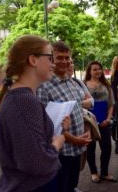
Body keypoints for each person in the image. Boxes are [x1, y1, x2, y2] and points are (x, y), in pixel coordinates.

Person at [0, 35, 69, 192]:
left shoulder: (18, 96)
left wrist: (59, 131)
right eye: (50, 58)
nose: (53, 64)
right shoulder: (24, 101)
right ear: (33, 60)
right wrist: (57, 144)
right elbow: (36, 162)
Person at [37, 41, 91, 192]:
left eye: (67, 58)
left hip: (77, 148)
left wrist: (86, 129)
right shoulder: (44, 87)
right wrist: (74, 139)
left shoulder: (72, 82)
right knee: (61, 187)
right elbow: (46, 126)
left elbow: (80, 111)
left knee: (72, 184)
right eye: (60, 57)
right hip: (61, 151)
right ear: (51, 59)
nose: (65, 61)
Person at [84, 61, 118, 183]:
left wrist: (108, 119)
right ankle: (93, 172)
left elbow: (111, 104)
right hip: (89, 124)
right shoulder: (83, 85)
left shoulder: (106, 85)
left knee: (107, 148)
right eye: (94, 69)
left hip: (104, 122)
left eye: (99, 69)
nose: (98, 71)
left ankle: (104, 172)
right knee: (90, 149)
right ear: (89, 71)